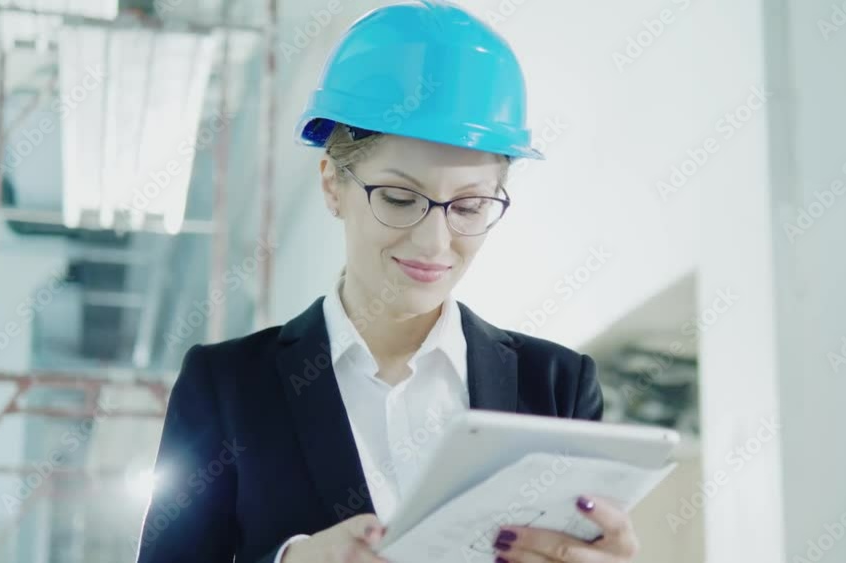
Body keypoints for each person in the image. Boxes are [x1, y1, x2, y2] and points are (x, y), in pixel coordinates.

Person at [135, 2, 640, 562]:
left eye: (470, 206)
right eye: (399, 199)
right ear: (332, 183)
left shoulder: (557, 386)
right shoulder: (228, 386)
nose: (434, 242)